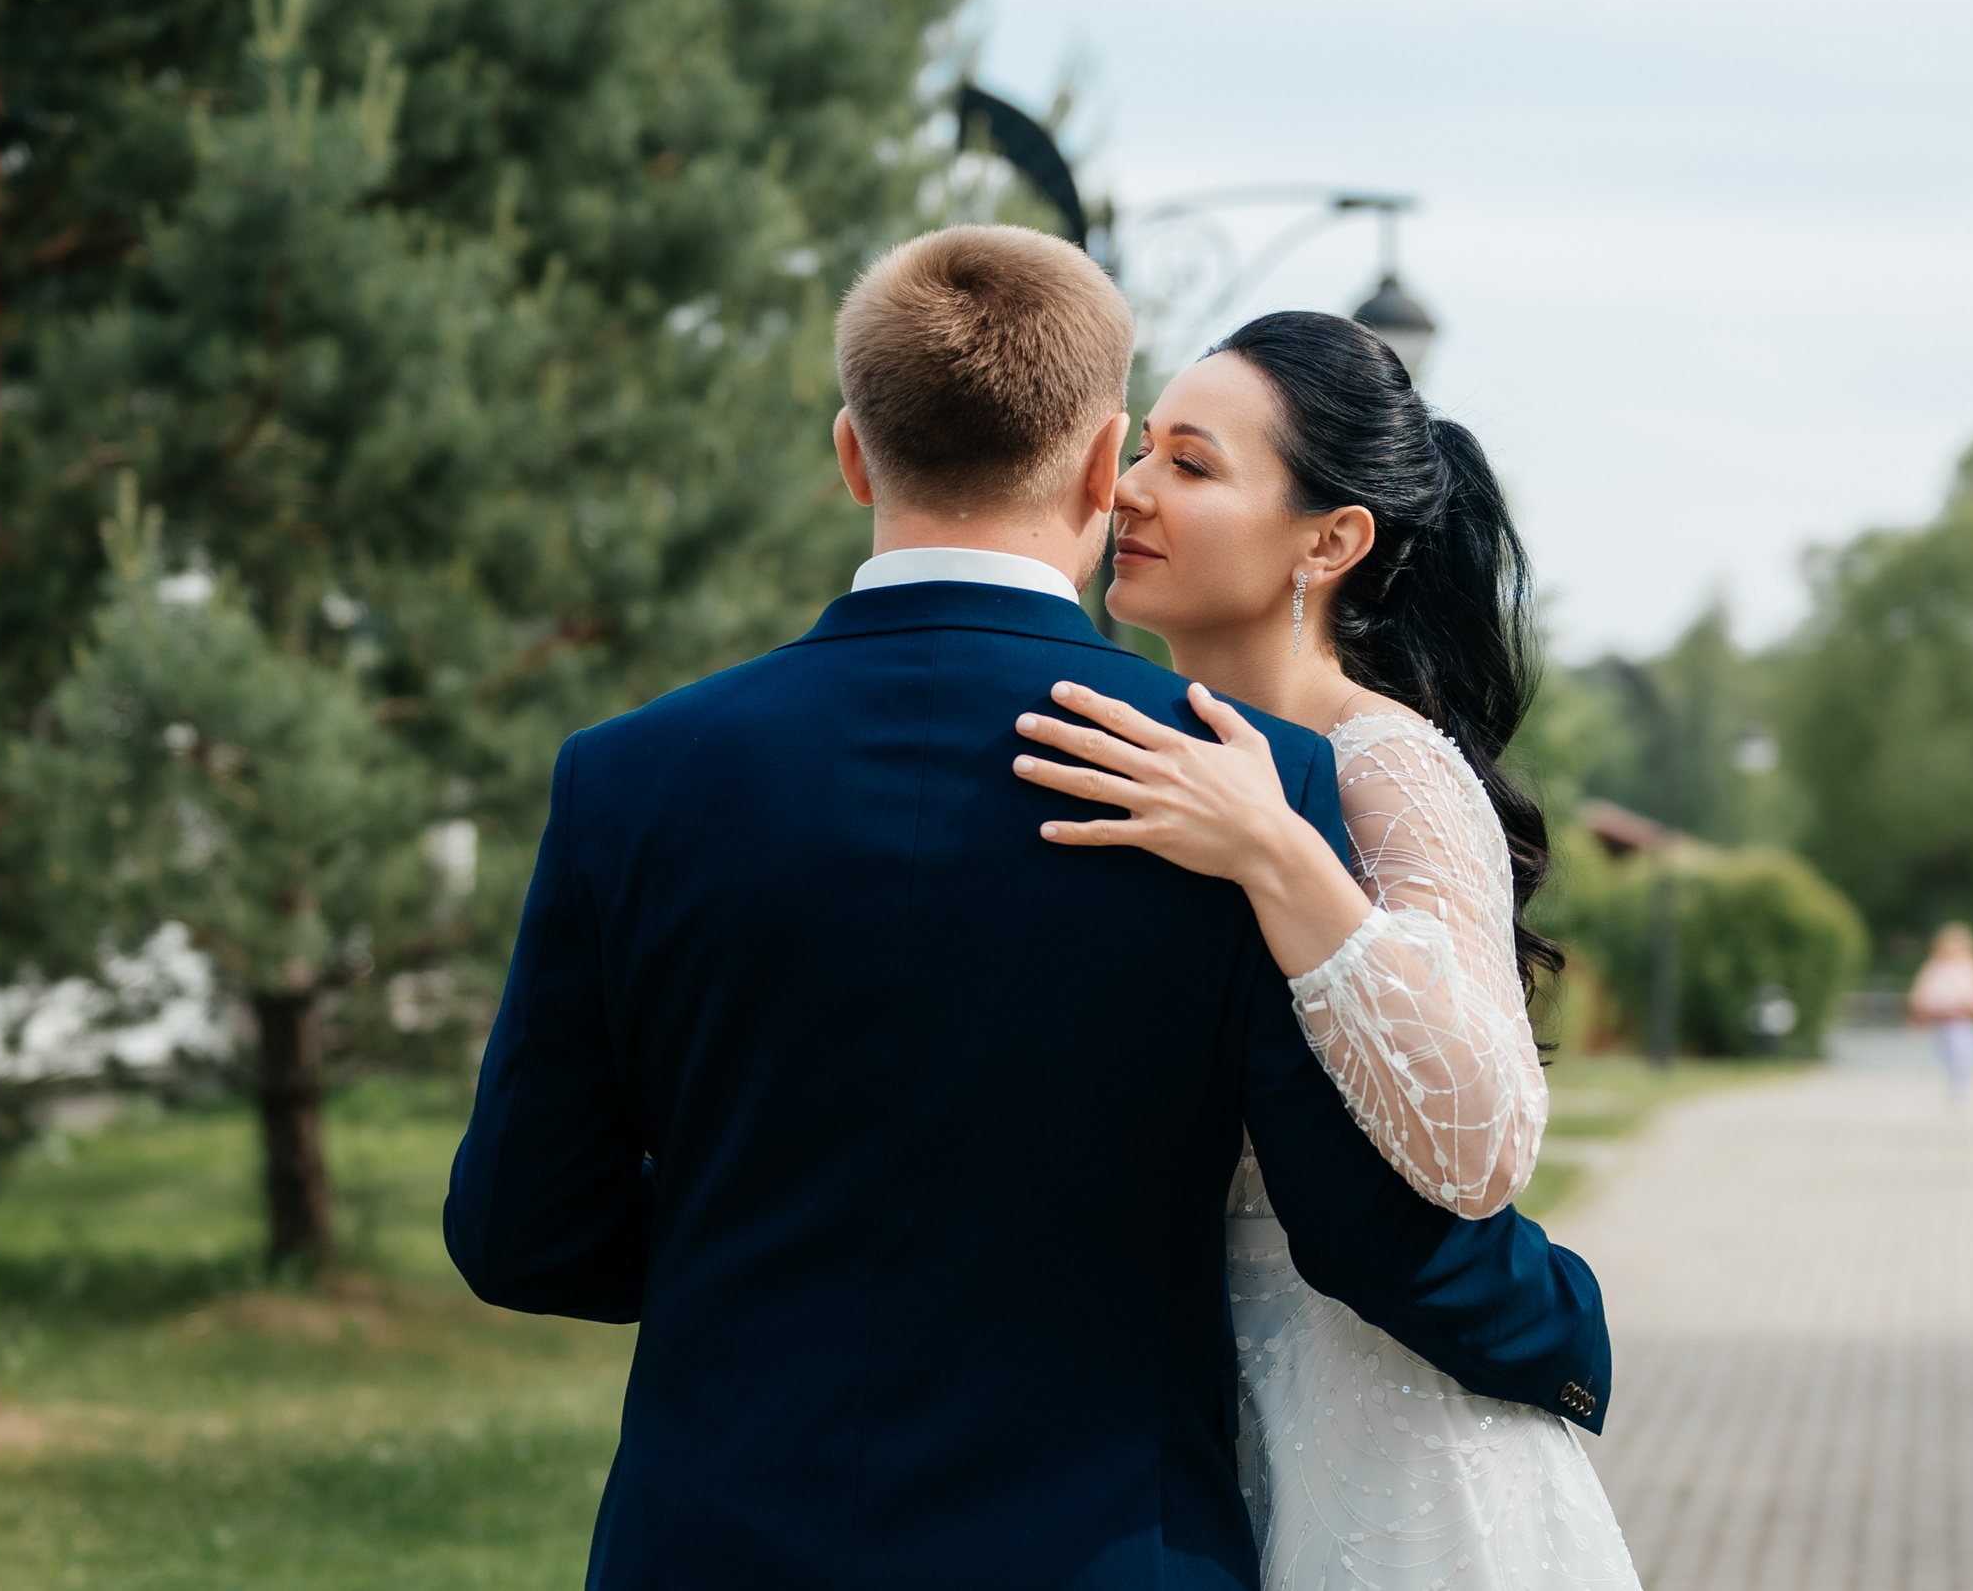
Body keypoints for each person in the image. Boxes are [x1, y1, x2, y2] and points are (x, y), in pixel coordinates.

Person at [446, 227, 1611, 1590]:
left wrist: (751, 1241)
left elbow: (521, 1227)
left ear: (852, 452)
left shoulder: (629, 775)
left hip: (712, 1543)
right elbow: (1356, 1222)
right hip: (1104, 1549)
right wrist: (1560, 1327)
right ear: (1098, 459)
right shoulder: (1249, 781)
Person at [1016, 311, 1639, 1591]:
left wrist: (1280, 854)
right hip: (1151, 1411)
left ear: (1330, 539)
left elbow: (1481, 1145)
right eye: (1142, 452)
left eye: (1190, 465)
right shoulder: (1133, 750)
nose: (1128, 488)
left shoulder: (1388, 767)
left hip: (1376, 1422)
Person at [1908, 923, 1973, 1104]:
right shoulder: (1934, 968)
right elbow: (1922, 996)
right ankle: (1953, 1086)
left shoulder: (1970, 968)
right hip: (1940, 1022)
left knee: (1963, 1056)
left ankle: (1960, 1089)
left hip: (1963, 1021)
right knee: (1947, 1057)